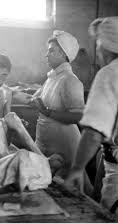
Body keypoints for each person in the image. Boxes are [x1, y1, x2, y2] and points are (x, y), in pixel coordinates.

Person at [64, 17, 118, 214]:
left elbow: (94, 131)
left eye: (98, 43)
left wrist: (77, 168)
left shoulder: (110, 73)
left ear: (106, 45)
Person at [28, 30, 85, 180]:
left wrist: (47, 111)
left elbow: (78, 116)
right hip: (46, 144)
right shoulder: (52, 78)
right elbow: (37, 99)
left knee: (66, 194)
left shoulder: (70, 80)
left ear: (63, 54)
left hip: (64, 148)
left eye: (51, 51)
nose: (46, 55)